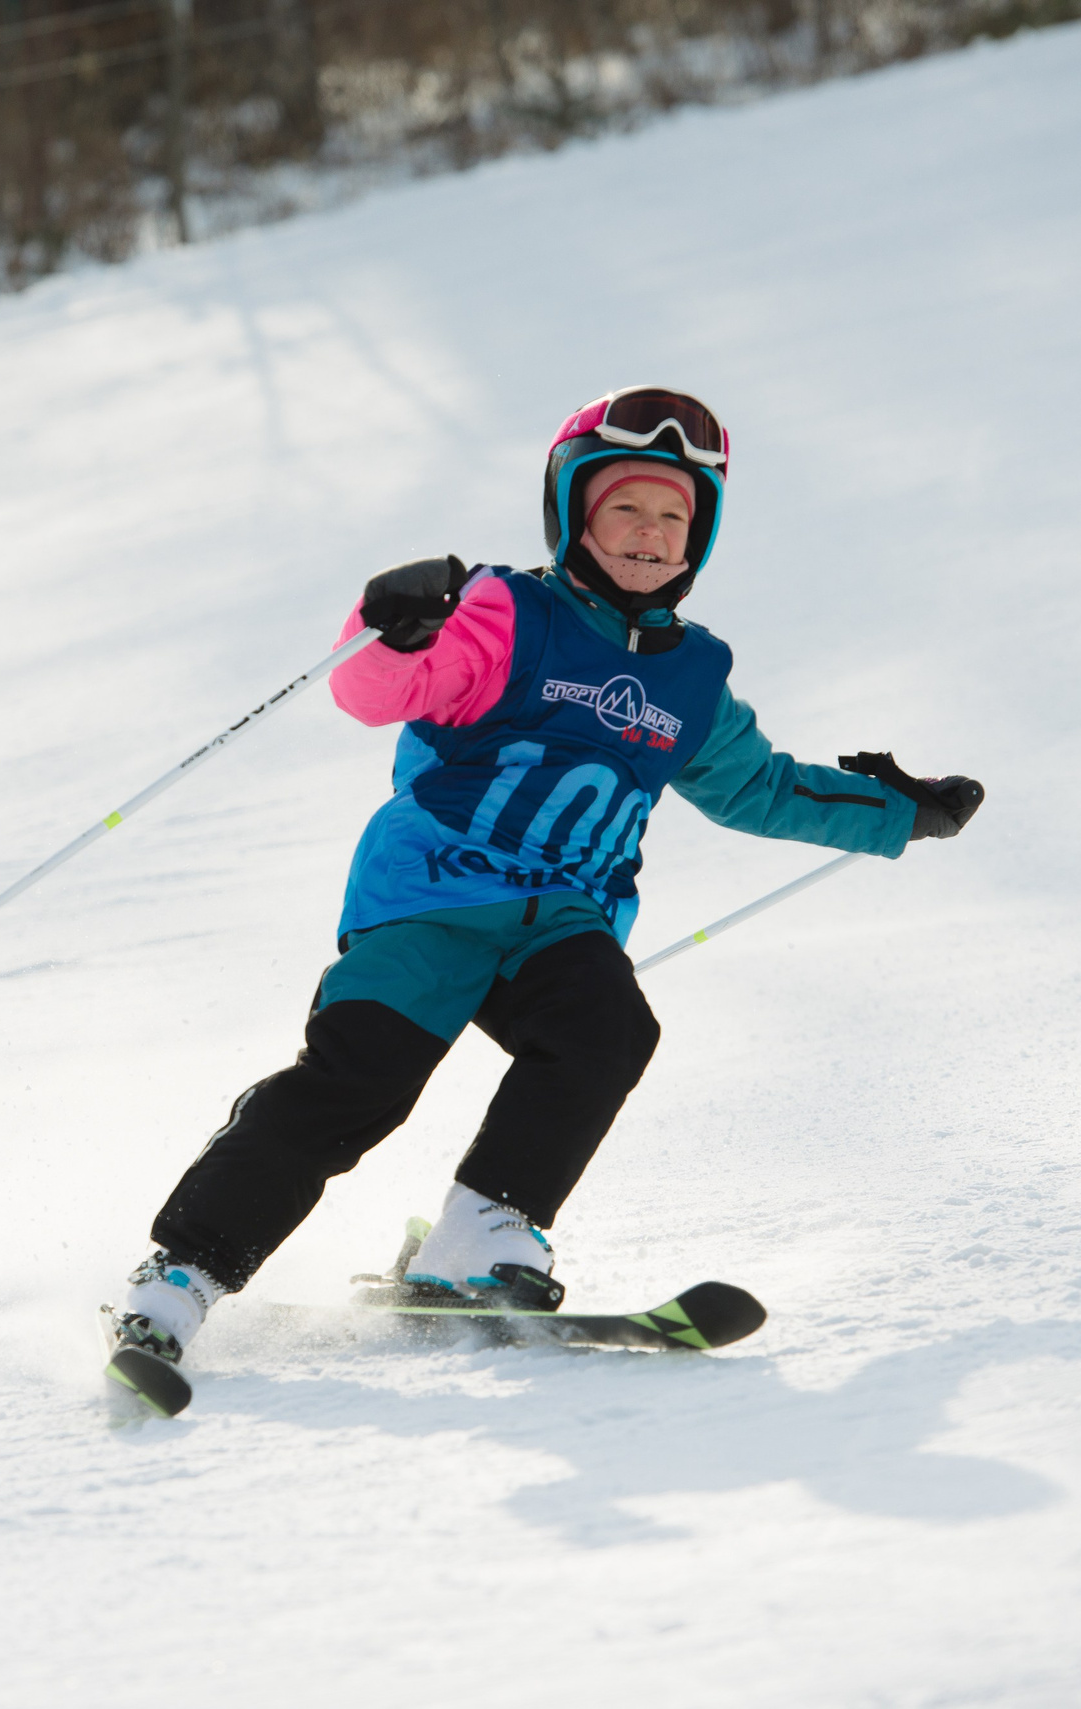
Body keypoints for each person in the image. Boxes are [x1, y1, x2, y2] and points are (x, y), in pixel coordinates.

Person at [107, 386, 982, 1365]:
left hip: (562, 918)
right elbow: (376, 690)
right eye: (626, 508)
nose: (651, 533)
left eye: (674, 516)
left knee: (608, 1026)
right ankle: (181, 1274)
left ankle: (479, 1235)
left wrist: (899, 813)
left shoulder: (690, 677)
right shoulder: (505, 612)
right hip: (431, 898)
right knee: (361, 1082)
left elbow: (755, 788)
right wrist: (388, 622)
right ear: (574, 514)